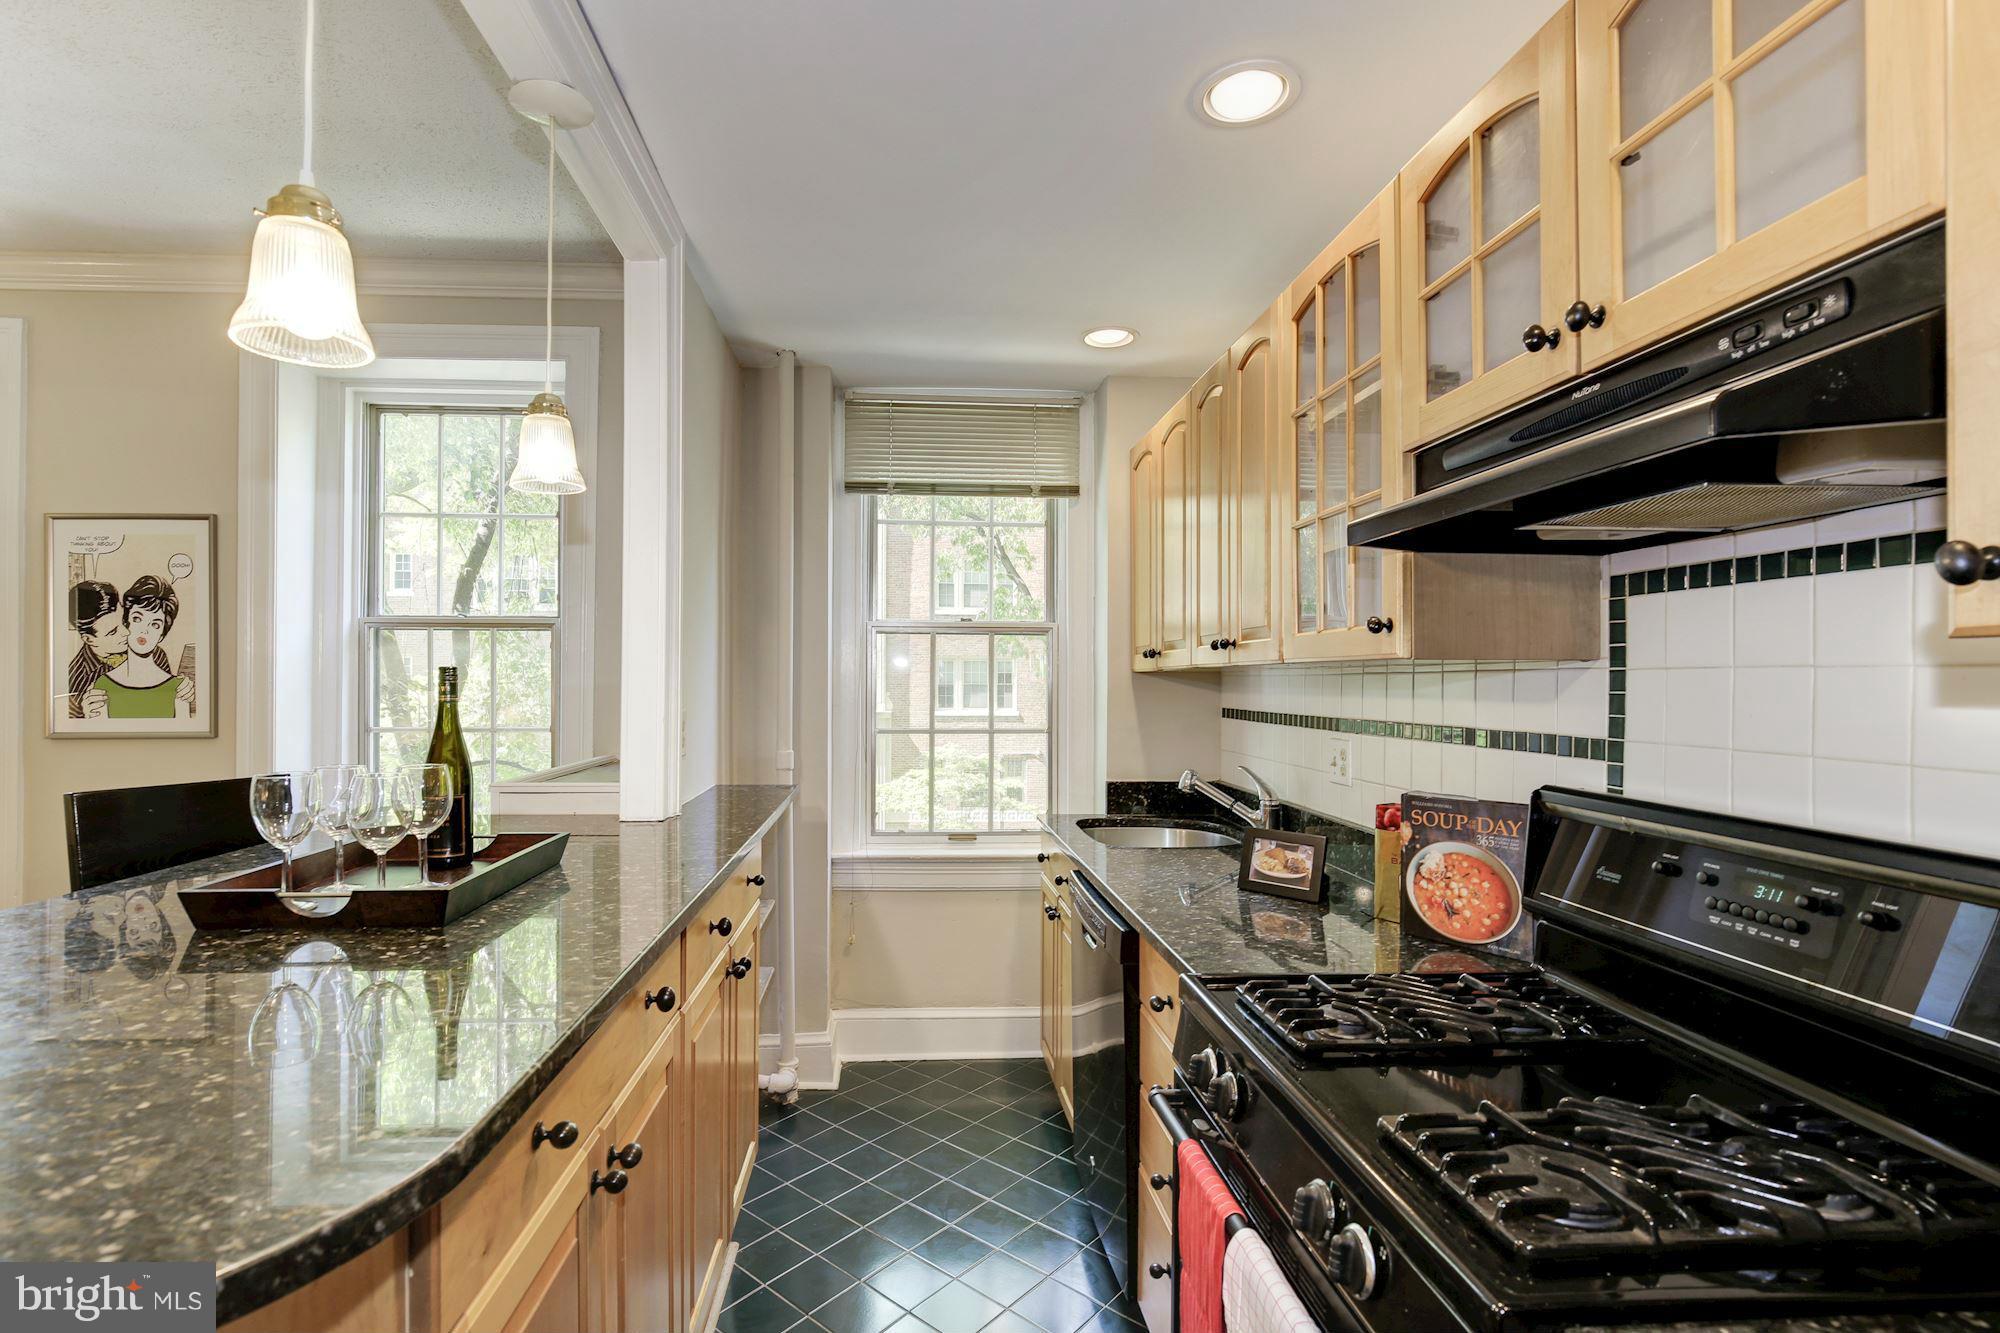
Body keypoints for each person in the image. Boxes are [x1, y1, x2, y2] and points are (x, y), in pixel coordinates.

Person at [84, 576, 193, 720]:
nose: (144, 630)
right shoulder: (102, 686)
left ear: (161, 635)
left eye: (155, 624)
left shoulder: (179, 689)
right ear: (126, 622)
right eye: (137, 619)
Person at [65, 581, 168, 719]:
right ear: (89, 639)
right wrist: (85, 719)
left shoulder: (154, 654)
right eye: (112, 632)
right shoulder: (76, 679)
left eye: (124, 621)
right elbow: (68, 726)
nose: (127, 632)